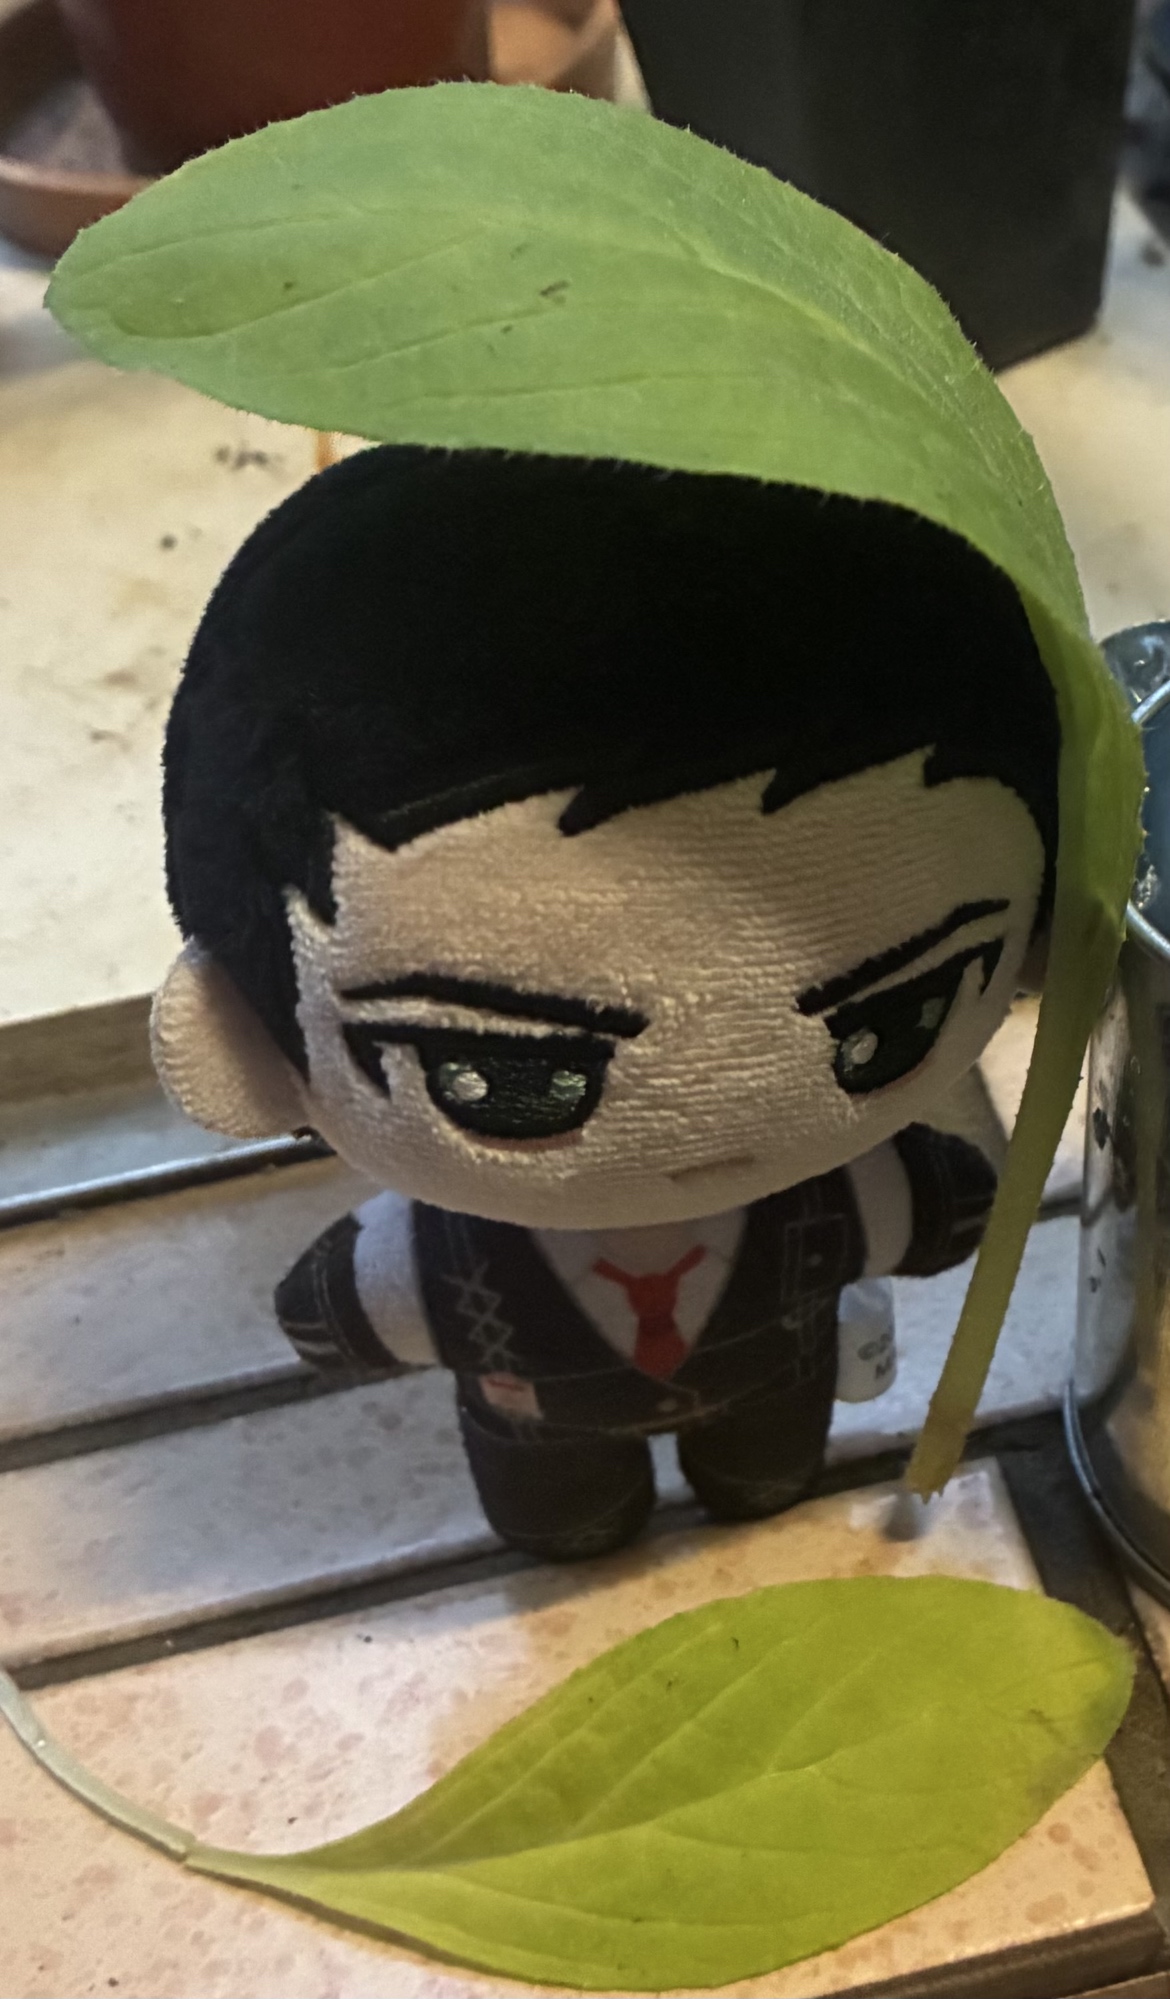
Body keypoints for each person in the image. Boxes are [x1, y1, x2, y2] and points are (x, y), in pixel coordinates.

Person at [154, 444, 1058, 1558]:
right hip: (545, 1436)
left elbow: (938, 1208)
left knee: (768, 1470)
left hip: (772, 1398)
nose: (714, 1121)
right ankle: (580, 1519)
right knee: (561, 1511)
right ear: (241, 1051)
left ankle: (752, 1479)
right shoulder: (457, 1262)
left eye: (891, 1025)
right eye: (507, 1076)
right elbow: (346, 1305)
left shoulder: (820, 1208)